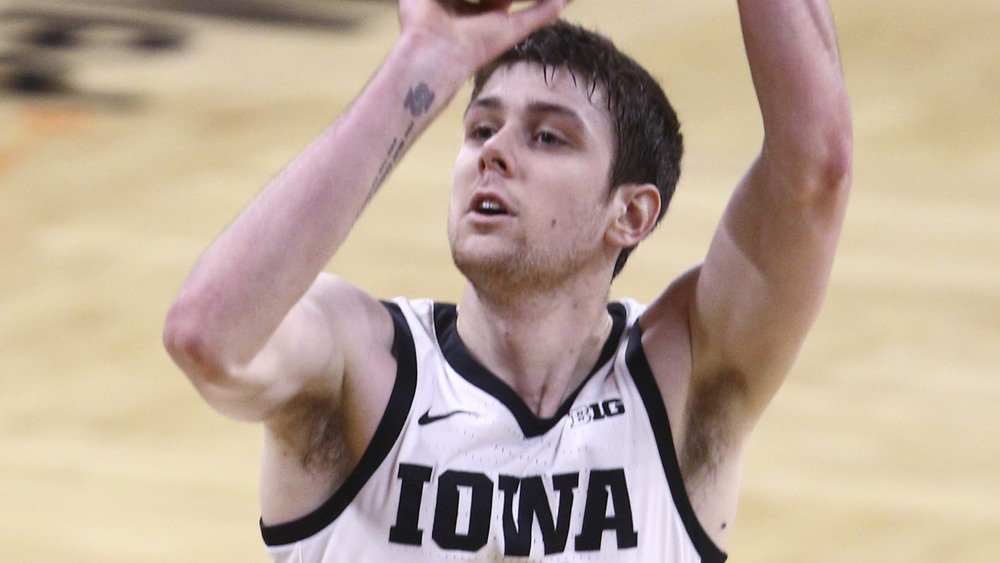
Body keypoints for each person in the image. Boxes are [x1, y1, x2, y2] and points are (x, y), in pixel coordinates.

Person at [163, 0, 852, 560]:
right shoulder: (361, 365)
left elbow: (814, 169)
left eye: (547, 137)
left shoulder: (682, 379)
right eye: (479, 128)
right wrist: (424, 60)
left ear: (631, 212)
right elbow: (207, 335)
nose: (493, 153)